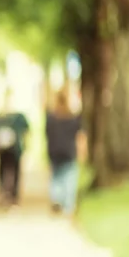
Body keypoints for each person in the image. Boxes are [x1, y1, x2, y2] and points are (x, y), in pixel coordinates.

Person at [44, 88, 87, 217]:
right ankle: (68, 205)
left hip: (55, 152)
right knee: (69, 178)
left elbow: (47, 135)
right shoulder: (73, 118)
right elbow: (80, 137)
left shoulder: (51, 118)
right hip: (69, 152)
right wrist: (82, 152)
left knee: (56, 178)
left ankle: (56, 198)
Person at [0, 89, 30, 207]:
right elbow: (26, 132)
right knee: (13, 171)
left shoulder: (2, 116)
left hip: (7, 149)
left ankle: (7, 194)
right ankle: (11, 196)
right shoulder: (17, 117)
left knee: (5, 170)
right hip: (13, 149)